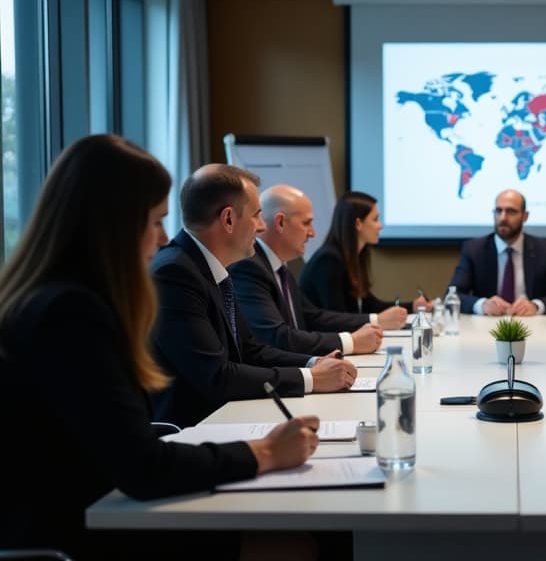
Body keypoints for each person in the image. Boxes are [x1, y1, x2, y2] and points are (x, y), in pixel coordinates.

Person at [0, 135, 318, 558]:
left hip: (90, 508)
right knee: (287, 540)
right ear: (113, 225)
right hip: (79, 530)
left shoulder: (49, 298)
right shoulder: (72, 314)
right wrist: (264, 453)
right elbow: (143, 469)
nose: (165, 238)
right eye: (154, 221)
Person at [150, 165, 357, 428]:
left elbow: (250, 350)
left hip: (228, 416)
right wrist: (311, 378)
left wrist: (315, 362)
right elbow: (216, 376)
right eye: (258, 215)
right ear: (228, 219)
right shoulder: (175, 273)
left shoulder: (208, 267)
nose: (261, 227)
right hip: (194, 431)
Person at [229, 185, 384, 356]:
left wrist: (369, 326)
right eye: (306, 223)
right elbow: (275, 337)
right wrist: (350, 341)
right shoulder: (248, 267)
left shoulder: (280, 267)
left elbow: (312, 316)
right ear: (280, 222)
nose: (312, 233)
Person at [300, 191, 428, 329]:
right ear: (358, 224)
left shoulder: (355, 256)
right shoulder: (328, 260)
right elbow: (336, 317)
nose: (380, 225)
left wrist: (412, 306)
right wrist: (376, 320)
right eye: (375, 219)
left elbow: (369, 305)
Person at [448, 189, 546, 316]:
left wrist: (536, 306)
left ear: (525, 216)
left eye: (511, 211)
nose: (503, 218)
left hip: (531, 324)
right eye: (498, 211)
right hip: (487, 324)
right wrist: (482, 304)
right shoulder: (474, 249)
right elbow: (453, 294)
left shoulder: (544, 250)